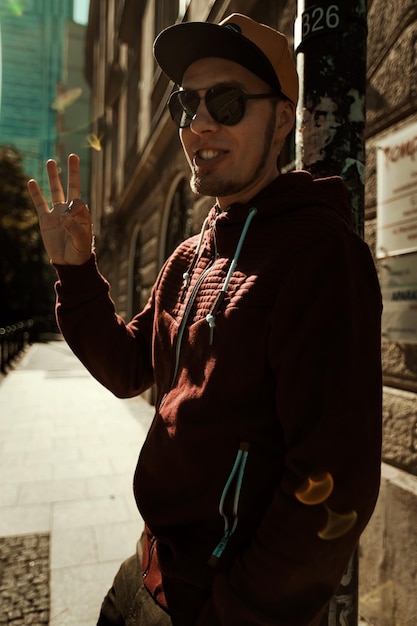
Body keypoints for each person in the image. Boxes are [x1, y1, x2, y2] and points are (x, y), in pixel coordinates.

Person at [28, 12, 382, 626]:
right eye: (187, 105)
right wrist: (77, 271)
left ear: (282, 121)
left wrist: (236, 611)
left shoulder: (320, 255)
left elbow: (333, 480)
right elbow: (128, 367)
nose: (201, 124)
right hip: (142, 574)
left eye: (226, 101)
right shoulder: (192, 255)